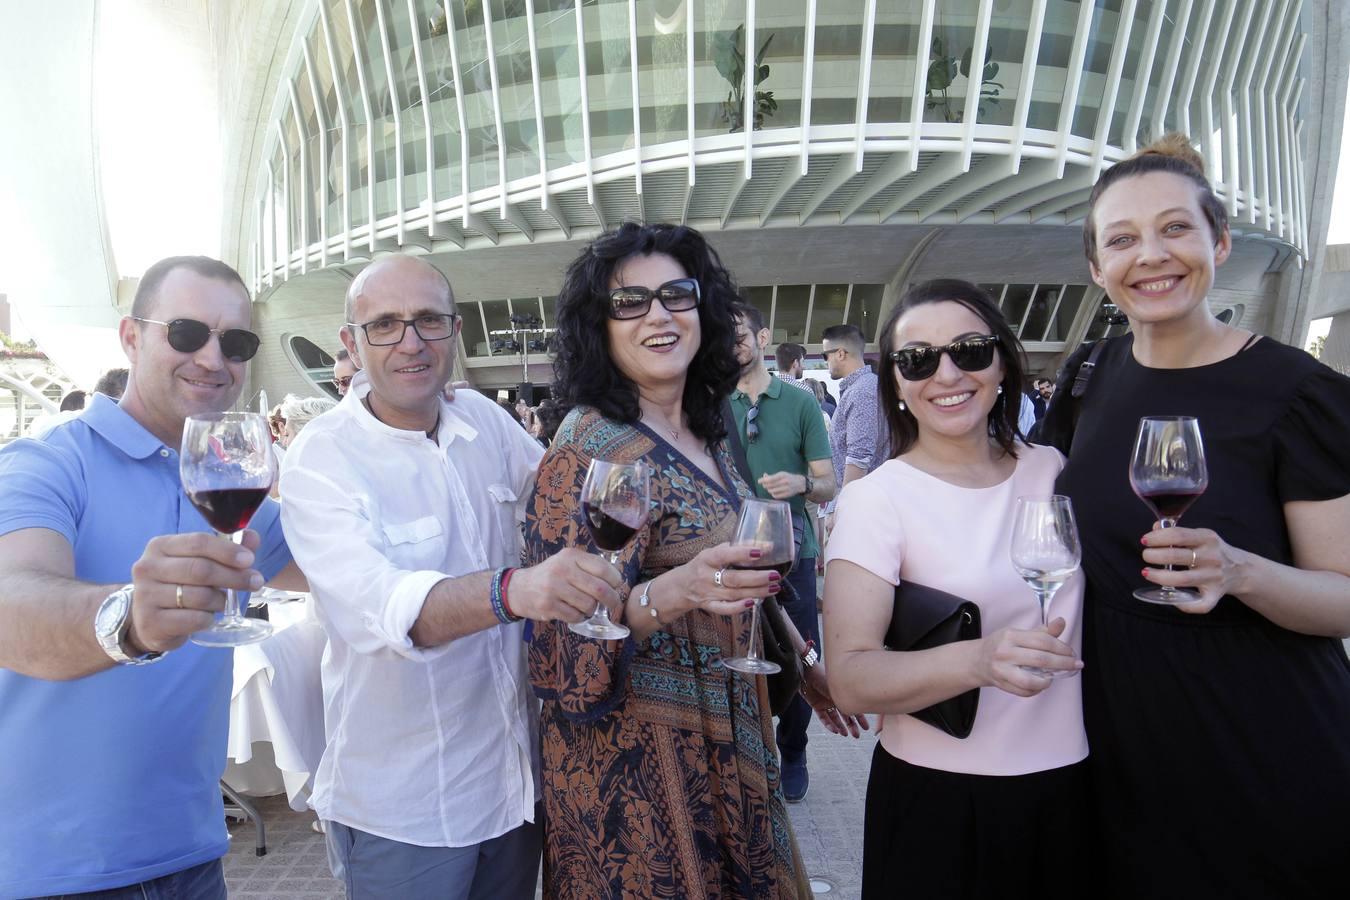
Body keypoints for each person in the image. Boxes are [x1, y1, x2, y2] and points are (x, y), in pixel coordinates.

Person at [1048, 134, 1350, 898]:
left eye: (1176, 228)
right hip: (1117, 738)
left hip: (1260, 740)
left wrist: (1242, 570)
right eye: (1122, 239)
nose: (1150, 255)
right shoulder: (1088, 377)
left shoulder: (1296, 392)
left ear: (1218, 241)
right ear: (1096, 268)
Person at [525, 222, 860, 899]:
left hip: (728, 728)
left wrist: (803, 657)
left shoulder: (708, 427)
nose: (658, 314)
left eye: (677, 295)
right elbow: (563, 645)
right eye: (631, 302)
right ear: (602, 326)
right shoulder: (589, 448)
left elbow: (737, 574)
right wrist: (672, 592)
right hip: (636, 768)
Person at [279, 255, 622, 900]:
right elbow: (385, 609)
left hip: (512, 789)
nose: (411, 342)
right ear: (350, 344)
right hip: (403, 812)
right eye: (385, 325)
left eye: (428, 321)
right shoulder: (321, 457)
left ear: (455, 332)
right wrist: (516, 589)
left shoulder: (485, 423)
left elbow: (567, 502)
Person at [0, 255, 297, 898]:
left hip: (192, 860)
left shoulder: (221, 476)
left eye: (236, 342)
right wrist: (129, 620)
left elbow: (339, 567)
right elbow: (12, 602)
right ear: (131, 337)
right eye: (187, 334)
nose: (213, 360)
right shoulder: (46, 463)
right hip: (53, 873)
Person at [824, 279, 1088, 899]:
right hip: (940, 802)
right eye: (918, 359)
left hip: (1071, 785)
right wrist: (978, 659)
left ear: (1001, 363)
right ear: (895, 382)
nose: (947, 374)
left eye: (968, 350)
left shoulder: (1054, 471)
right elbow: (851, 678)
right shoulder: (877, 499)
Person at [730, 301, 841, 803]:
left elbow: (827, 481)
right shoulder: (709, 407)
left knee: (800, 657)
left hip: (792, 554)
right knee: (738, 660)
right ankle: (754, 755)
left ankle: (794, 751)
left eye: (738, 336)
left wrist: (800, 482)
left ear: (763, 338)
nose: (730, 347)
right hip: (731, 555)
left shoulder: (799, 403)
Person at [819, 323, 885, 529]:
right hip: (866, 507)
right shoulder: (864, 387)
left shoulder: (862, 392)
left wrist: (842, 510)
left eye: (825, 355)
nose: (825, 362)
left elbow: (859, 456)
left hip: (862, 513)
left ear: (840, 353)